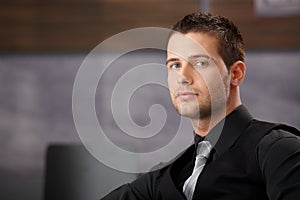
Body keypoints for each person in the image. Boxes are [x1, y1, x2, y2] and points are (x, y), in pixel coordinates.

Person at [101, 12, 300, 200]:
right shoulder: (168, 175)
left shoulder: (279, 150)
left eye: (200, 63)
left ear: (236, 74)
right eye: (175, 65)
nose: (183, 78)